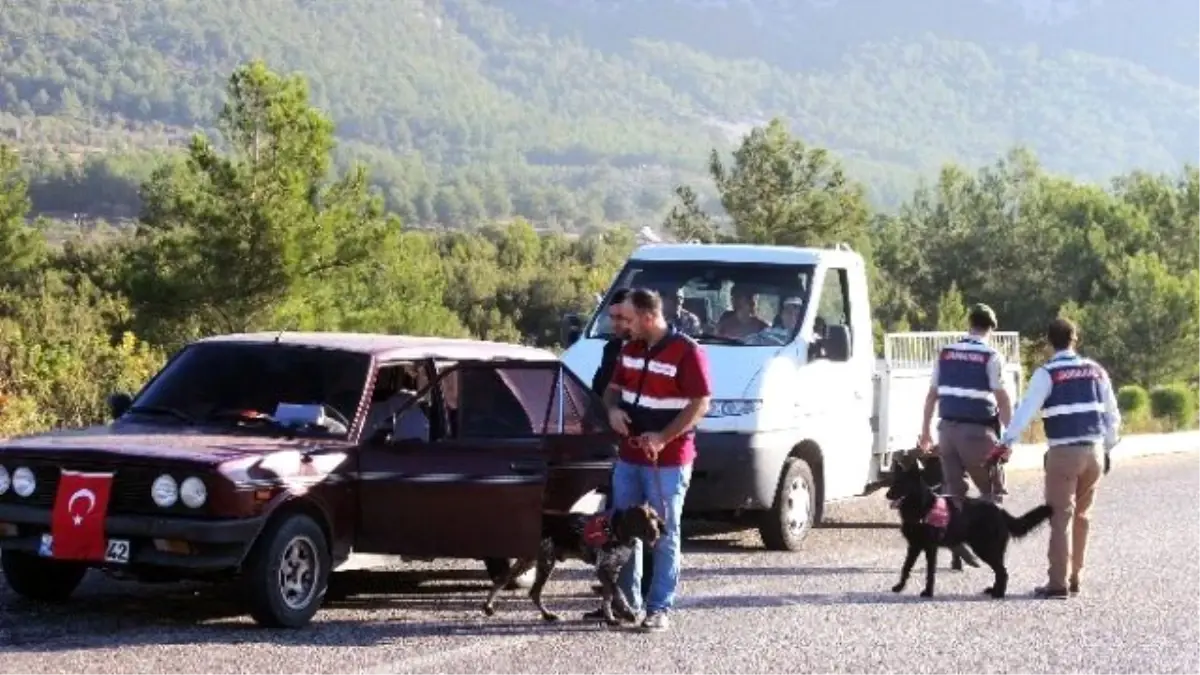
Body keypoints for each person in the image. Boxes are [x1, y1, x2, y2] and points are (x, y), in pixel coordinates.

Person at [603, 288, 712, 632]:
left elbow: (700, 404)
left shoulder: (688, 352)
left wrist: (663, 437)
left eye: (629, 319)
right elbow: (611, 390)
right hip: (629, 456)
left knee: (663, 533)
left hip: (668, 461)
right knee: (622, 530)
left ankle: (659, 608)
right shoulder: (629, 348)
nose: (624, 325)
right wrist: (612, 411)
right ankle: (626, 604)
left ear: (649, 318)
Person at [995, 318, 1120, 599]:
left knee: (1060, 517)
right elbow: (1112, 414)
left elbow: (1026, 411)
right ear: (1076, 339)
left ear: (1049, 341)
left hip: (1063, 452)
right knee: (1083, 517)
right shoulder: (1097, 371)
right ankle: (1076, 577)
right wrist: (1109, 447)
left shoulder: (1047, 373)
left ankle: (1057, 583)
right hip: (1095, 451)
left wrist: (1006, 442)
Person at [918, 303, 1013, 505]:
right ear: (991, 328)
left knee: (953, 494)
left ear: (969, 324)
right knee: (991, 491)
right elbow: (1003, 401)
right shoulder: (991, 356)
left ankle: (954, 534)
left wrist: (926, 432)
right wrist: (1008, 439)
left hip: (946, 433)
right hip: (977, 433)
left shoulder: (945, 353)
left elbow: (931, 397)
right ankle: (986, 535)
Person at [591, 288, 631, 396]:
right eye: (612, 317)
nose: (614, 324)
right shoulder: (610, 349)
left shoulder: (653, 351)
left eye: (620, 317)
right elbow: (600, 390)